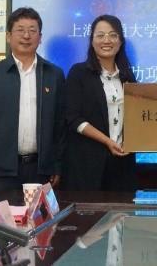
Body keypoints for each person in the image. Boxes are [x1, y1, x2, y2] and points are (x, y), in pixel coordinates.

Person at [0, 7, 65, 191]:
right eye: (20, 30)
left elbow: (60, 126)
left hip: (40, 171)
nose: (26, 36)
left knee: (39, 212)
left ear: (40, 37)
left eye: (32, 30)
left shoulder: (54, 75)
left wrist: (57, 165)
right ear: (8, 36)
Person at [62, 15, 138, 191]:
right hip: (87, 164)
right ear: (92, 41)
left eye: (113, 35)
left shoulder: (127, 76)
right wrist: (107, 141)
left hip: (123, 163)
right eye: (100, 35)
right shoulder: (79, 73)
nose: (107, 40)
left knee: (122, 208)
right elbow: (73, 118)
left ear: (120, 41)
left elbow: (134, 116)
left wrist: (130, 141)